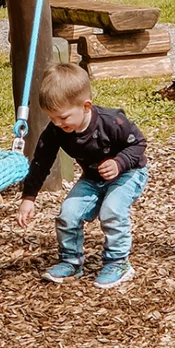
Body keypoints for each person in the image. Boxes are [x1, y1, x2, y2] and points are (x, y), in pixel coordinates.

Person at [16, 62, 148, 288]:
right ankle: (71, 261)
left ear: (86, 106)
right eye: (52, 118)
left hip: (128, 173)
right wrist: (29, 197)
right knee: (68, 214)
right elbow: (41, 162)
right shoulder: (57, 130)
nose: (57, 123)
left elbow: (139, 145)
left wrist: (119, 163)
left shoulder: (112, 121)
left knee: (112, 211)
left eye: (63, 117)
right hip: (93, 178)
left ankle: (118, 262)